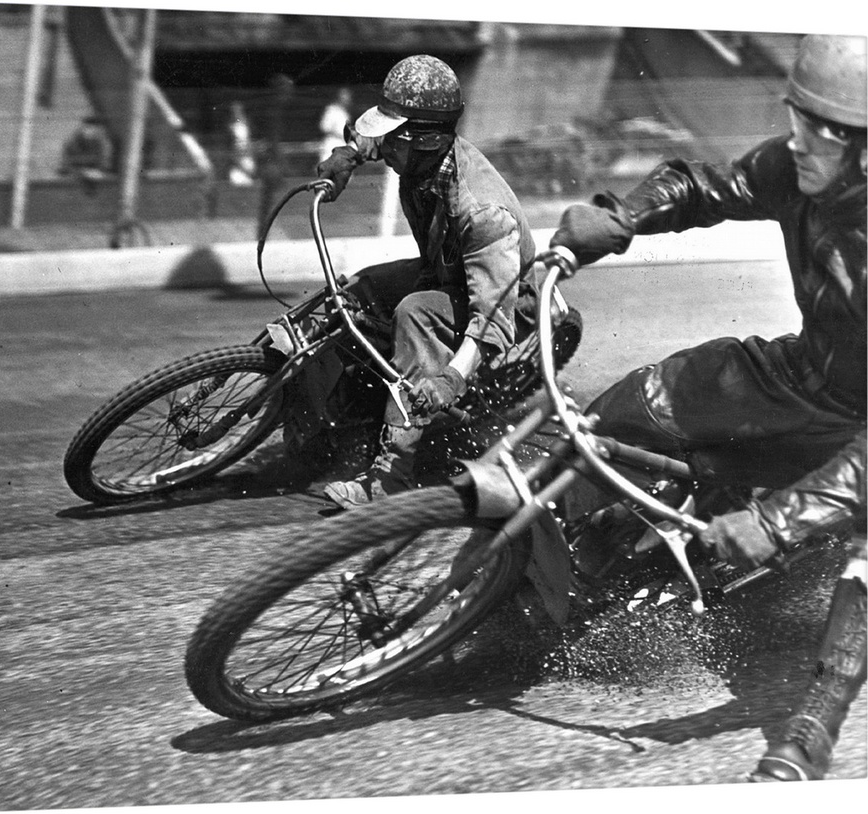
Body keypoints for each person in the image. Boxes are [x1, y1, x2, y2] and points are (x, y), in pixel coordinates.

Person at [539, 34, 866, 782]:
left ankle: (813, 727)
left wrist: (777, 523)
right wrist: (618, 218)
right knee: (642, 399)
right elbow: (709, 185)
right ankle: (551, 543)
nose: (800, 138)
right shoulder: (798, 167)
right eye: (799, 116)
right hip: (804, 372)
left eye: (826, 128)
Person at [315, 54, 543, 509]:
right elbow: (372, 139)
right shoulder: (417, 156)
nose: (386, 151)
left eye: (392, 140)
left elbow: (491, 316)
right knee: (352, 292)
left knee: (415, 314)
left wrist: (452, 380)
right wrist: (349, 155)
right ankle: (337, 420)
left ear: (425, 139)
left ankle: (389, 480)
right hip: (446, 272)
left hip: (501, 300)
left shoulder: (483, 212)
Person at [318, 87, 353, 164]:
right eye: (344, 96)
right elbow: (324, 127)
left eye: (348, 97)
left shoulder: (344, 113)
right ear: (339, 97)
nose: (347, 99)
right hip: (332, 143)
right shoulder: (331, 110)